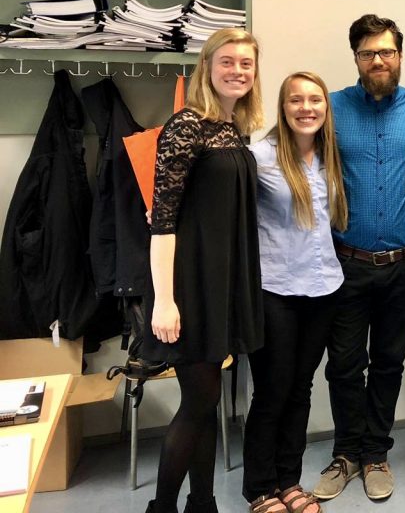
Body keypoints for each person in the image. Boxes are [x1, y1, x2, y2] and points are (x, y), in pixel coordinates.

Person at [143, 28, 265, 513]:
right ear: (207, 68)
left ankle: (204, 502)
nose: (237, 71)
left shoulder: (233, 128)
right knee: (196, 404)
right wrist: (165, 300)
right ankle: (163, 508)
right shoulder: (186, 126)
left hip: (223, 285)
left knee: (207, 399)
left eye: (247, 64)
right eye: (228, 62)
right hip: (190, 288)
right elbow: (163, 222)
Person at [313, 15, 405, 503]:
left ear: (400, 55)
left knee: (388, 362)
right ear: (356, 57)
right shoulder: (332, 109)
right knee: (342, 365)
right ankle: (346, 454)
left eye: (387, 51)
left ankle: (376, 452)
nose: (378, 60)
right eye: (368, 53)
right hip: (346, 262)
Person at [242, 72, 349, 513]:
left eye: (315, 100)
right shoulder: (257, 157)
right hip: (275, 289)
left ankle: (289, 481)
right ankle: (260, 488)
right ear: (283, 108)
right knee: (272, 389)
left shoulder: (331, 157)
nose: (307, 108)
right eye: (296, 101)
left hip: (324, 286)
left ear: (326, 108)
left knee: (301, 388)